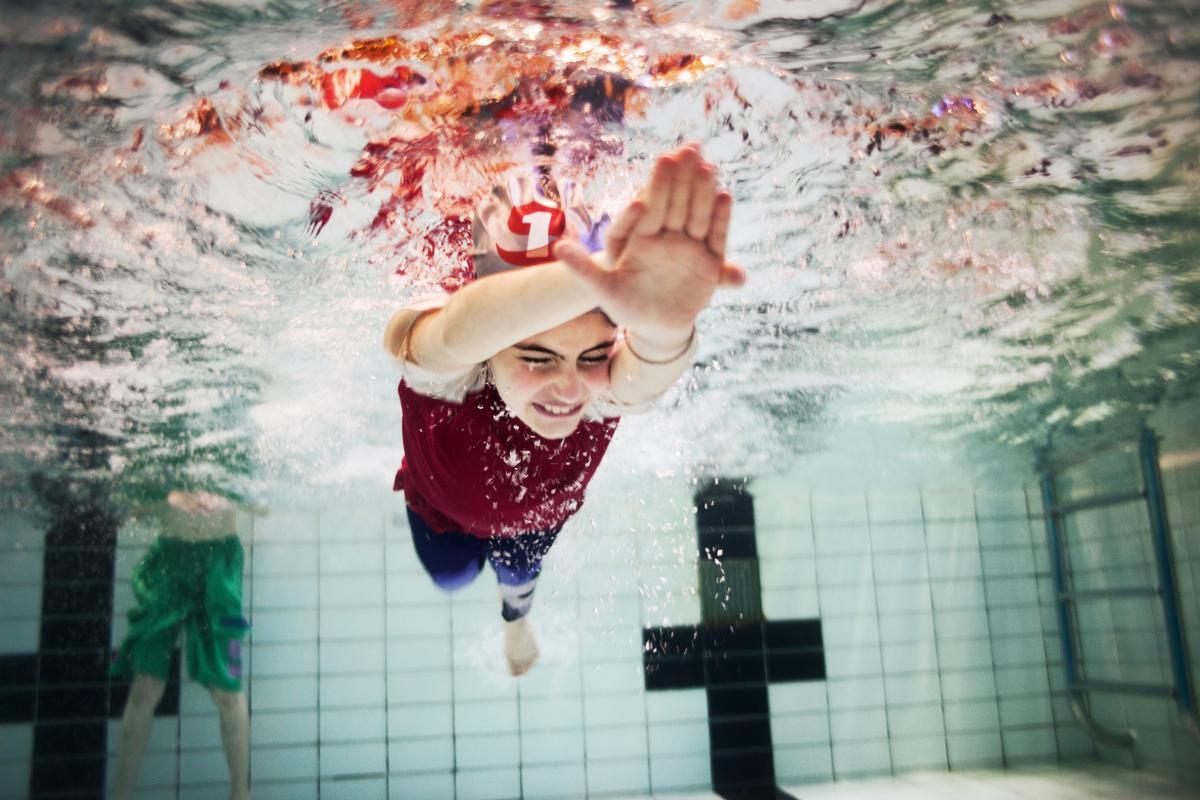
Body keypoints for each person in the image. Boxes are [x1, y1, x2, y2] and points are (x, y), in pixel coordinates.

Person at [383, 143, 745, 675]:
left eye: (595, 354)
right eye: (536, 356)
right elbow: (452, 332)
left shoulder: (599, 392)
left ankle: (516, 621)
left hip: (534, 522)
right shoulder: (452, 376)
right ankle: (513, 609)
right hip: (439, 510)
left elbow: (647, 371)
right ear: (494, 348)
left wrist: (665, 325)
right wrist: (586, 277)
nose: (570, 387)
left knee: (519, 569)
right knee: (452, 576)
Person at [110, 490, 250, 800]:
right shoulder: (158, 445)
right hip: (169, 562)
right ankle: (120, 795)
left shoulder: (231, 449)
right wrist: (168, 498)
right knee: (145, 686)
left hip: (220, 564)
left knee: (227, 690)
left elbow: (263, 506)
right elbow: (132, 507)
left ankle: (241, 794)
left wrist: (231, 498)